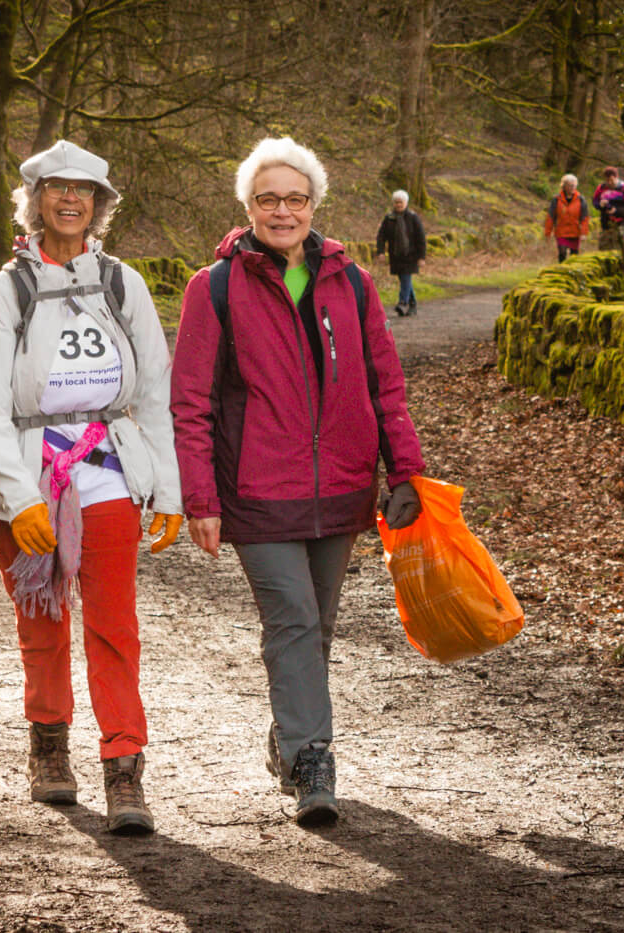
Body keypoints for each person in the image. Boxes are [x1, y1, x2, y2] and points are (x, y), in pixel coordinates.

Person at [170, 137, 426, 828]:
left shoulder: (354, 283)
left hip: (342, 488)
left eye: (295, 198)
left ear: (314, 204)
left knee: (319, 627)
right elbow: (189, 402)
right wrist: (200, 498)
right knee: (293, 618)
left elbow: (384, 382)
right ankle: (314, 757)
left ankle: (289, 733)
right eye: (267, 198)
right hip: (256, 490)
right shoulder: (213, 288)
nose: (282, 211)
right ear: (247, 205)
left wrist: (407, 470)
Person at [0, 139, 183, 836]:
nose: (70, 199)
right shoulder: (6, 291)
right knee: (42, 623)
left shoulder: (124, 285)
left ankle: (124, 768)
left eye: (84, 189)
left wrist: (169, 490)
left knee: (114, 624)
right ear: (36, 199)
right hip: (25, 473)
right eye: (57, 187)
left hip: (108, 467)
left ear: (99, 204)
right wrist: (21, 498)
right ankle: (48, 752)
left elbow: (154, 393)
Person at [375, 189, 427, 316]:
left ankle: (402, 302)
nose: (398, 205)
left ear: (406, 203)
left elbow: (421, 238)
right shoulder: (389, 218)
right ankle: (413, 304)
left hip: (411, 255)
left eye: (401, 202)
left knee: (405, 278)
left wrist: (421, 257)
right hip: (396, 255)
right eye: (396, 202)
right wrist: (381, 252)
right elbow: (381, 236)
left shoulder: (413, 218)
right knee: (404, 279)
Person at [543, 173, 590, 262]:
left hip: (575, 232)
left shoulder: (581, 199)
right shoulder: (556, 199)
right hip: (561, 232)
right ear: (564, 186)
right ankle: (561, 270)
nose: (572, 187)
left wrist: (584, 233)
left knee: (574, 256)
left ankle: (572, 273)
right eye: (570, 185)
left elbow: (585, 218)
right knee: (562, 252)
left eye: (574, 185)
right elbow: (550, 217)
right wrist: (547, 233)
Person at [592, 166, 624, 251]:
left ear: (616, 177)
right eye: (607, 180)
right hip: (605, 222)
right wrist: (600, 205)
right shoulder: (601, 188)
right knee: (605, 247)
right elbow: (594, 201)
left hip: (621, 222)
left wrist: (616, 211)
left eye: (612, 180)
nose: (610, 182)